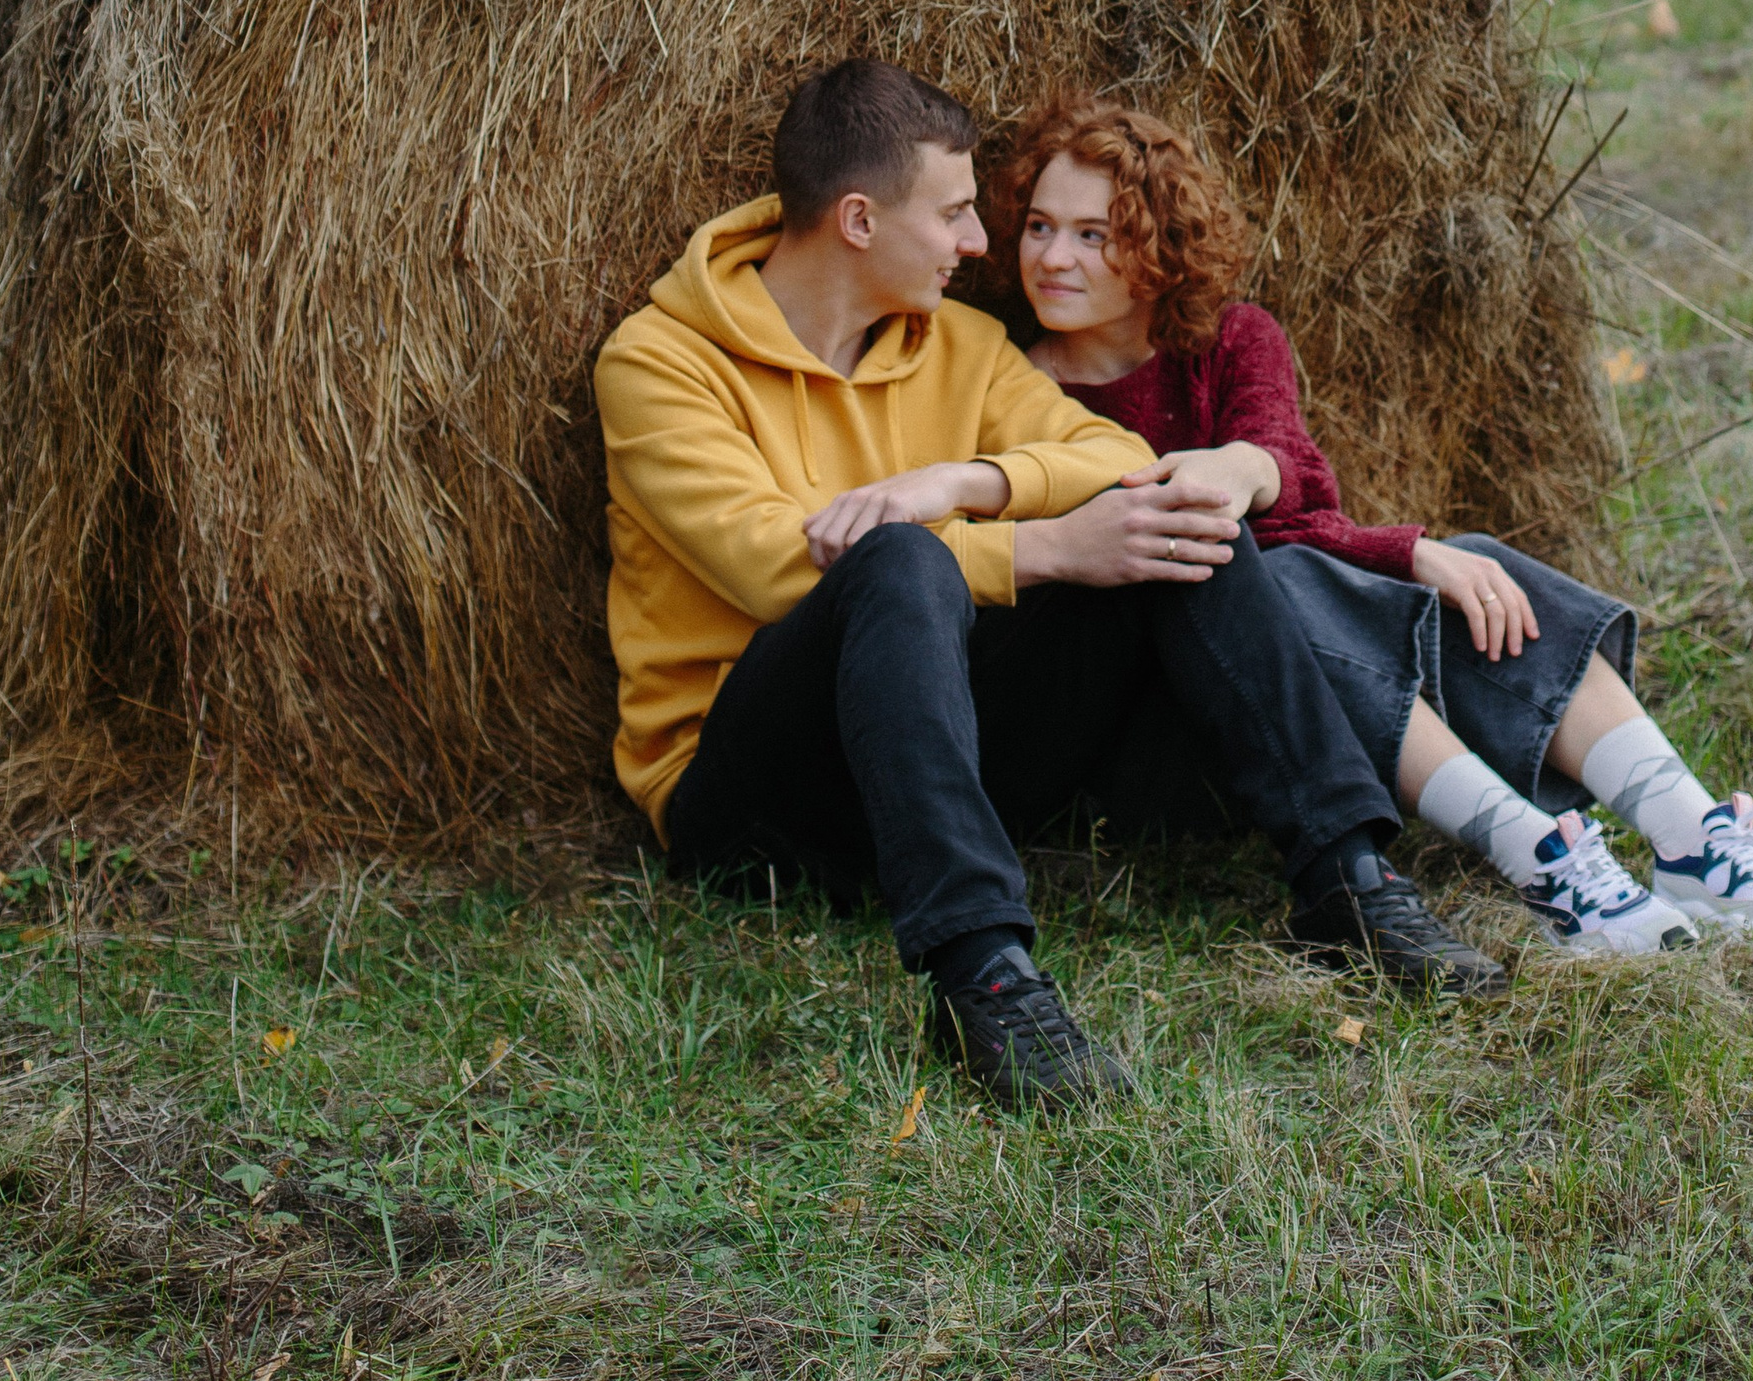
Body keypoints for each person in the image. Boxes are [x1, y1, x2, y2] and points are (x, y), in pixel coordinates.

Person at [594, 58, 1507, 1113]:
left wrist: (970, 478)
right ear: (856, 219)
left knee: (1167, 509)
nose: (982, 244)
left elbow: (1109, 452)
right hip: (755, 800)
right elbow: (769, 566)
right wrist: (1042, 548)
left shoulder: (963, 347)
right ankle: (983, 972)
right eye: (952, 214)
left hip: (944, 754)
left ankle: (1346, 877)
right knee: (898, 559)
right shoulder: (660, 363)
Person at [982, 94, 1753, 960]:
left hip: (1294, 688)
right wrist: (1403, 548)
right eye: (1040, 227)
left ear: (1158, 244)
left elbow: (1297, 490)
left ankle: (1692, 832)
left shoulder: (1234, 340)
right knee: (1272, 574)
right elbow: (1244, 563)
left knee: (1472, 565)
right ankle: (1539, 855)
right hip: (1175, 737)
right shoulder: (1007, 387)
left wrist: (1264, 472)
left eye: (1094, 234)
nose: (1055, 257)